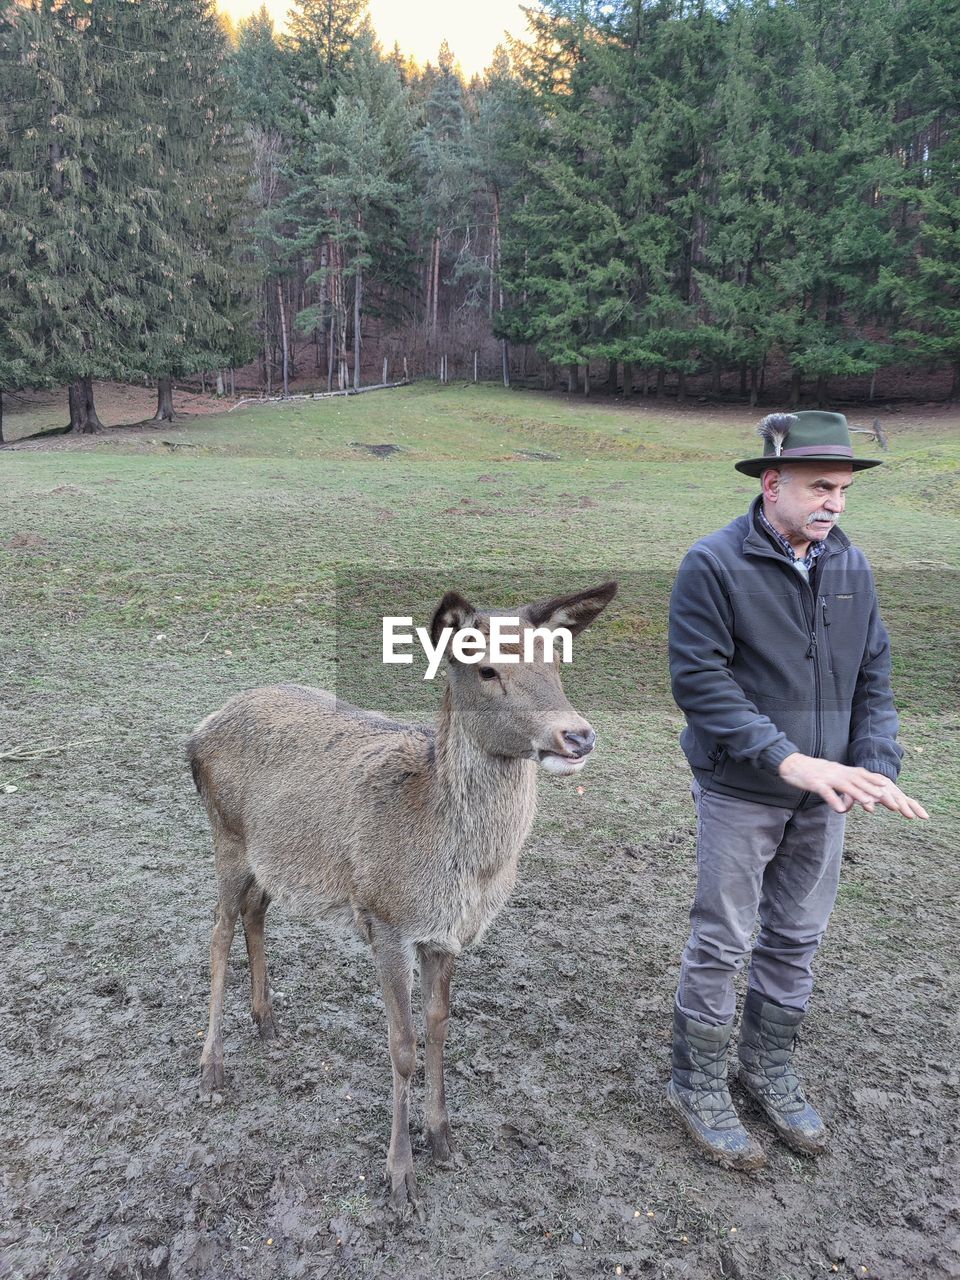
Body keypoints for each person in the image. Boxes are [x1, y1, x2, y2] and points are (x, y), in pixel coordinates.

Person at [666, 410, 928, 1171]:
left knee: (797, 937)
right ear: (772, 483)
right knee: (722, 940)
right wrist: (789, 760)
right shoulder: (711, 565)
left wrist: (875, 759)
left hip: (830, 792)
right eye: (821, 486)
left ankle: (766, 1065)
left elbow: (873, 673)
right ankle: (698, 1083)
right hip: (743, 790)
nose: (836, 503)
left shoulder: (850, 565)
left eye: (845, 489)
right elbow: (701, 685)